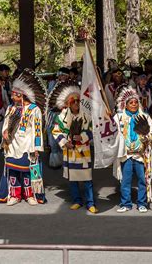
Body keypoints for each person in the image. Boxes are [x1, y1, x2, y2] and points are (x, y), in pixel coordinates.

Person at [0, 69, 46, 206]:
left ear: (22, 95)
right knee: (12, 170)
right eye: (12, 94)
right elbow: (5, 125)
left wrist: (36, 147)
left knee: (27, 171)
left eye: (14, 95)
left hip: (27, 146)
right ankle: (14, 195)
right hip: (12, 145)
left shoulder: (34, 109)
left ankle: (30, 195)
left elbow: (37, 131)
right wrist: (5, 132)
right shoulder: (11, 109)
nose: (12, 97)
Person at [49, 81, 98, 213]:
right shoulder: (62, 116)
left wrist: (82, 136)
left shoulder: (86, 115)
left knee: (87, 178)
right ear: (68, 103)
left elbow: (94, 130)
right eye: (73, 101)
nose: (76, 103)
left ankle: (90, 203)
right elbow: (55, 130)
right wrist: (65, 142)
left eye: (78, 101)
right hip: (70, 151)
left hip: (83, 151)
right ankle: (77, 200)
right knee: (73, 179)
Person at [113, 85, 152, 213]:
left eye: (136, 102)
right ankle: (126, 204)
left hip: (141, 154)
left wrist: (147, 138)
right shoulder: (118, 118)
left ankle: (142, 203)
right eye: (131, 103)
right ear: (125, 105)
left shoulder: (145, 117)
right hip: (126, 154)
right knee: (125, 181)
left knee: (142, 180)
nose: (134, 104)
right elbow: (111, 132)